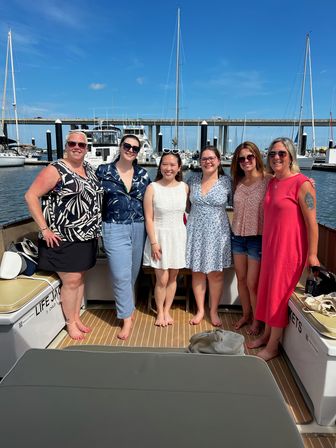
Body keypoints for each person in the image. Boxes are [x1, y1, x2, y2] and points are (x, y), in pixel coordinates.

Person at [25, 131, 103, 340]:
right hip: (63, 236)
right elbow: (31, 196)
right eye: (72, 143)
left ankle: (76, 317)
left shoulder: (88, 168)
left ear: (87, 148)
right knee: (71, 281)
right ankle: (70, 323)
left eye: (81, 144)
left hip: (86, 236)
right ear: (66, 145)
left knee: (80, 277)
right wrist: (44, 228)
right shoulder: (55, 169)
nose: (77, 147)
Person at [247, 137, 319, 361]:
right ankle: (267, 335)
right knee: (267, 290)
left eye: (281, 154)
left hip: (289, 251)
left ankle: (273, 346)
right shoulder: (273, 181)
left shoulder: (302, 184)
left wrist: (313, 255)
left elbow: (312, 223)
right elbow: (257, 171)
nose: (276, 157)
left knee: (278, 295)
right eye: (272, 154)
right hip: (271, 248)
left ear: (291, 156)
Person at [96, 135, 150, 340]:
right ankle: (126, 318)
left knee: (132, 274)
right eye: (127, 146)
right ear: (120, 147)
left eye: (135, 148)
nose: (130, 150)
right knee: (120, 275)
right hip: (114, 226)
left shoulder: (143, 174)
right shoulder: (103, 171)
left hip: (139, 226)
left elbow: (153, 200)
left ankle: (128, 308)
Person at [186, 146, 232, 326]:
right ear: (200, 162)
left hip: (217, 233)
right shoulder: (193, 180)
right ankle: (200, 311)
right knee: (197, 272)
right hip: (195, 231)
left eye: (212, 158)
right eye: (204, 158)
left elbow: (243, 197)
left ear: (219, 161)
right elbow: (186, 206)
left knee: (215, 275)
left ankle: (213, 311)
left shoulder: (226, 182)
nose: (208, 161)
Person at [143, 150, 188, 326]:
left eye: (172, 165)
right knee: (161, 279)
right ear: (160, 166)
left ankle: (167, 310)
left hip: (178, 236)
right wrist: (154, 242)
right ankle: (159, 312)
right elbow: (149, 218)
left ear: (178, 168)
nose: (168, 168)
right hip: (159, 236)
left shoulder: (184, 187)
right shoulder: (152, 188)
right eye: (165, 164)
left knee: (173, 277)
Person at [230, 141, 270, 335]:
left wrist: (306, 182)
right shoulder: (237, 182)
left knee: (253, 283)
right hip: (237, 236)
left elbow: (291, 182)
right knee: (241, 279)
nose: (246, 161)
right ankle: (246, 314)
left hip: (257, 238)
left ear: (256, 157)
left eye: (250, 157)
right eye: (242, 158)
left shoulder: (268, 180)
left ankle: (257, 319)